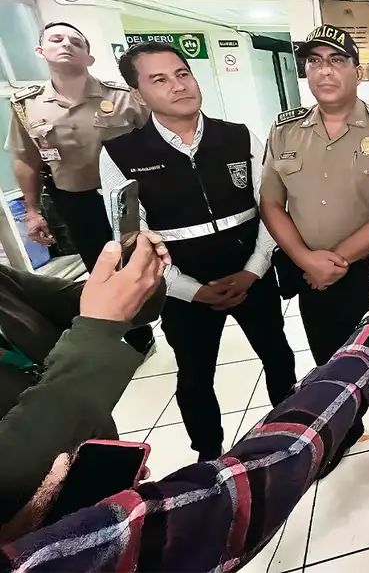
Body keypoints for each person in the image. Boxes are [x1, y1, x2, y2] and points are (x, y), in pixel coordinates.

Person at [0, 259, 369, 571]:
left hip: (85, 476)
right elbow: (262, 474)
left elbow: (99, 305)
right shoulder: (54, 556)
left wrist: (141, 277)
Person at [100, 42, 297, 463]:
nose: (178, 86)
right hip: (183, 289)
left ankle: (288, 437)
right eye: (159, 80)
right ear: (138, 94)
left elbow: (271, 207)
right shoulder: (121, 154)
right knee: (194, 377)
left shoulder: (238, 136)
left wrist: (254, 268)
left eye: (182, 74)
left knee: (278, 355)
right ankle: (208, 456)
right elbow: (133, 238)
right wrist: (190, 290)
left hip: (251, 274)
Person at [260, 25, 369, 490]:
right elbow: (270, 202)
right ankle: (347, 430)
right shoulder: (285, 129)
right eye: (314, 62)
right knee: (333, 365)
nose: (324, 71)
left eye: (336, 60)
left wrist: (335, 260)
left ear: (357, 70)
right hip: (313, 279)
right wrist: (305, 259)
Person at [0, 233, 168, 540]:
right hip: (39, 541)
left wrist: (135, 270)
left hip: (95, 482)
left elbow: (91, 302)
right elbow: (10, 480)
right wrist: (98, 328)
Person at [5, 22, 154, 356]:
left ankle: (159, 317)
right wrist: (32, 211)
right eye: (56, 39)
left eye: (76, 41)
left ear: (89, 57)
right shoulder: (26, 105)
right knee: (100, 269)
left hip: (132, 198)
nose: (66, 45)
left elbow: (158, 143)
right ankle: (132, 334)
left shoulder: (123, 97)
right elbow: (26, 160)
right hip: (76, 201)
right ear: (40, 51)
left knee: (143, 260)